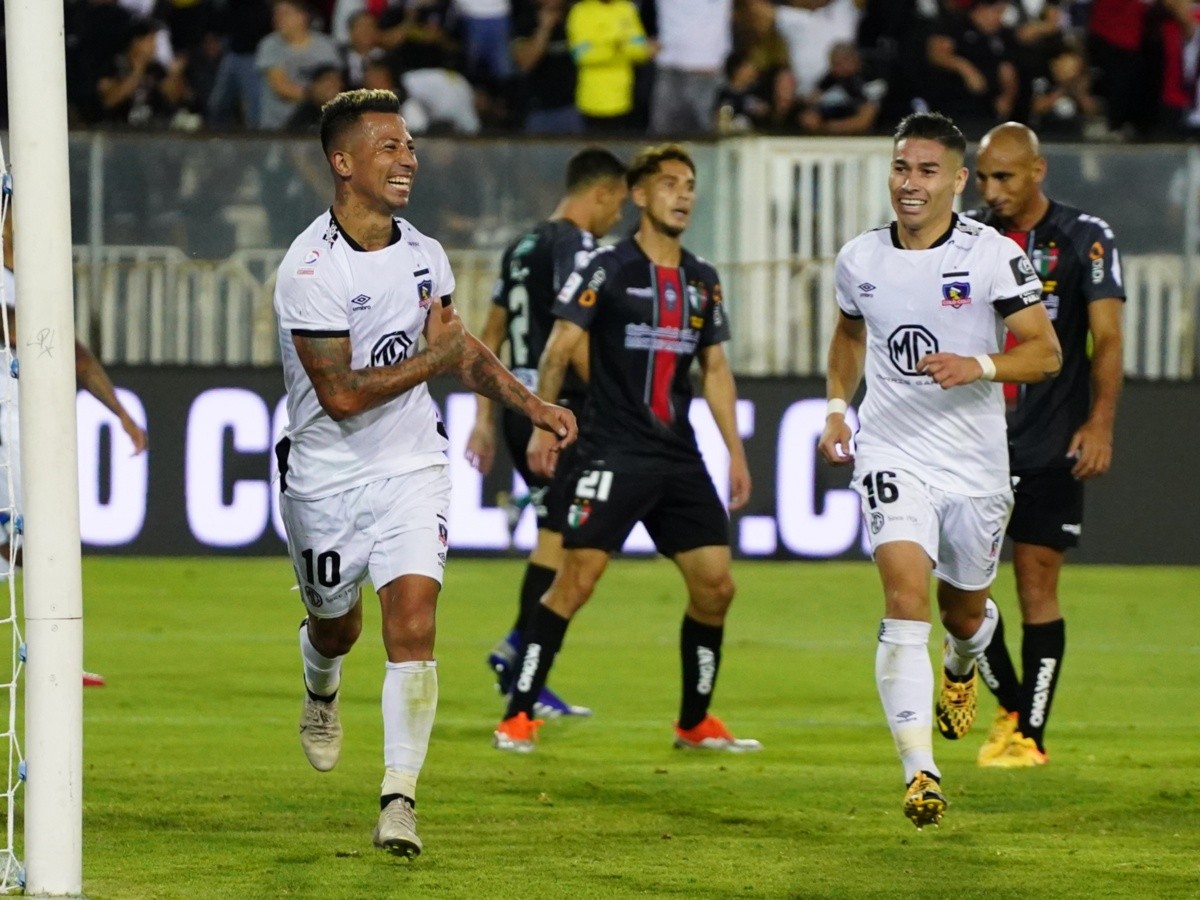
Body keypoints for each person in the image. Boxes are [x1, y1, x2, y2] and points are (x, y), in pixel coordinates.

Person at [272, 88, 577, 857]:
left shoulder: (424, 254)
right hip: (328, 478)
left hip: (413, 465)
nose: (407, 159)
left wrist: (530, 402)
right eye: (388, 147)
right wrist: (434, 359)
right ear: (343, 163)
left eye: (409, 146)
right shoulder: (310, 268)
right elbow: (338, 396)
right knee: (338, 628)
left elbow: (459, 349)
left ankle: (399, 798)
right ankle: (319, 683)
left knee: (413, 625)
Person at [817, 112, 1061, 829]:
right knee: (903, 599)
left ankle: (962, 663)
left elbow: (1043, 353)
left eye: (927, 171)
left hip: (976, 463)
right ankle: (919, 770)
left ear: (958, 180)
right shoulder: (860, 258)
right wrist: (838, 405)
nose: (910, 184)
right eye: (901, 169)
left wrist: (978, 364)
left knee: (963, 613)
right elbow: (847, 332)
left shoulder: (992, 256)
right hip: (893, 448)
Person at [491, 143, 759, 756]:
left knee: (716, 587)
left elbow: (714, 370)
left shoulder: (702, 280)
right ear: (638, 195)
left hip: (678, 456)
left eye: (689, 185)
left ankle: (694, 722)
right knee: (575, 581)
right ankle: (519, 713)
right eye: (669, 183)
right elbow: (558, 348)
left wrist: (735, 453)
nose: (683, 194)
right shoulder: (607, 267)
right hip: (611, 451)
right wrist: (543, 423)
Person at [968, 122, 1124, 768]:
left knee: (1036, 584)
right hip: (974, 445)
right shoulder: (968, 237)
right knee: (963, 595)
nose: (990, 189)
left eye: (1003, 176)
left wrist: (1101, 422)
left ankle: (1028, 735)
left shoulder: (1085, 238)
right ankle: (1007, 701)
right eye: (981, 177)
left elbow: (1107, 339)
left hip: (1050, 441)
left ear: (1038, 171)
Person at [464, 146, 628, 719]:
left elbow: (489, 333)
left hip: (517, 404)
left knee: (559, 538)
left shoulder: (522, 244)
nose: (618, 219)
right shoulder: (579, 247)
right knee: (564, 543)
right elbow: (571, 332)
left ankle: (523, 662)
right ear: (602, 194)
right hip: (556, 412)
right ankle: (518, 659)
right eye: (618, 205)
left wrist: (485, 419)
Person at [0, 203, 149, 687]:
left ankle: (54, 657)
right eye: (15, 218)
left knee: (35, 541)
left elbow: (76, 355)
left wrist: (123, 414)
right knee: (31, 540)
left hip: (30, 422)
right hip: (7, 421)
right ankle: (53, 658)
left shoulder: (42, 280)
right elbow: (33, 332)